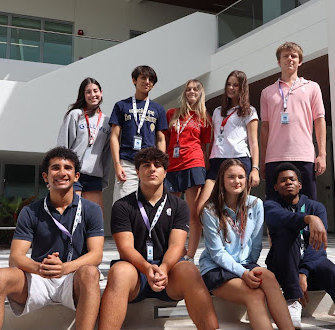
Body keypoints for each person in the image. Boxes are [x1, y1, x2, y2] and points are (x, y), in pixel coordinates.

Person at [0, 147, 105, 330]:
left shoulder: (92, 210)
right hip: (39, 277)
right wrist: (41, 267)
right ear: (46, 176)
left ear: (76, 176)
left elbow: (96, 255)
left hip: (73, 278)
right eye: (55, 168)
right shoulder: (31, 211)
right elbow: (16, 257)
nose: (62, 173)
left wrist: (65, 268)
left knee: (90, 272)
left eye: (67, 168)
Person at [97, 147, 223, 330]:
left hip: (168, 273)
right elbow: (125, 249)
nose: (152, 169)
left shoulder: (179, 205)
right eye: (146, 165)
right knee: (119, 271)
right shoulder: (122, 206)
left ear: (165, 172)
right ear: (137, 172)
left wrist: (163, 268)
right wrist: (147, 268)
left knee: (189, 269)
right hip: (136, 273)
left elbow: (176, 245)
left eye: (157, 165)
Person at [264, 162, 335, 330]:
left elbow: (319, 247)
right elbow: (279, 219)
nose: (288, 182)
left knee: (332, 271)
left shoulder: (316, 207)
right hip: (282, 267)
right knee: (287, 232)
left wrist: (303, 273)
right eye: (282, 180)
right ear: (276, 186)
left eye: (292, 179)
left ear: (300, 184)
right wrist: (308, 219)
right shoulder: (270, 205)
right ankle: (292, 300)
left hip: (308, 269)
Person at [199, 159, 298, 330]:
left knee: (268, 276)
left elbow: (256, 243)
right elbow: (217, 253)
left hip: (245, 264)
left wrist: (248, 267)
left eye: (241, 177)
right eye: (231, 177)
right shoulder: (210, 210)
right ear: (221, 180)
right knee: (255, 296)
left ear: (246, 180)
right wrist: (243, 273)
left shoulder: (255, 204)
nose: (236, 181)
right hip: (216, 269)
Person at [188, 70, 260, 261]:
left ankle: (241, 254)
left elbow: (253, 142)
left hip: (240, 161)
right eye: (229, 84)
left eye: (235, 85)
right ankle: (197, 254)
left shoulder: (249, 111)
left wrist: (255, 168)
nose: (231, 88)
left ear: (242, 87)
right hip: (217, 162)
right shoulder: (218, 111)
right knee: (200, 209)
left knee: (239, 210)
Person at [260, 42, 327, 200]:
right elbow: (265, 128)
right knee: (275, 206)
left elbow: (319, 121)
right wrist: (263, 160)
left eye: (294, 56)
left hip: (303, 156)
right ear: (279, 62)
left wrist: (322, 154)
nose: (290, 59)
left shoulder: (312, 87)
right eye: (285, 56)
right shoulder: (267, 92)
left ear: (300, 61)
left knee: (306, 204)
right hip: (274, 158)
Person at [164, 79, 212, 257]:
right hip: (173, 166)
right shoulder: (172, 114)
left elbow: (205, 147)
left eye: (195, 89)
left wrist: (204, 171)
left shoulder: (204, 118)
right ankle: (175, 250)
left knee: (194, 214)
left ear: (201, 93)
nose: (191, 92)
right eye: (188, 89)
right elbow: (165, 140)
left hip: (194, 164)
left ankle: (190, 256)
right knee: (168, 211)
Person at [109, 65, 168, 203]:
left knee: (148, 203)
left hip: (150, 164)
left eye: (151, 80)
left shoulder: (158, 109)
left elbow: (160, 139)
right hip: (128, 162)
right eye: (143, 78)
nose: (147, 82)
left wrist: (161, 164)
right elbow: (114, 137)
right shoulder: (121, 105)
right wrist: (117, 164)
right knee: (124, 203)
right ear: (134, 80)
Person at [58, 77, 111, 212]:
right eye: (88, 92)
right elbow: (63, 146)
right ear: (83, 95)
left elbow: (106, 153)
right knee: (72, 214)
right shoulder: (76, 114)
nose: (93, 95)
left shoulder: (107, 121)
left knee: (95, 217)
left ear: (101, 92)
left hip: (95, 176)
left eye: (95, 91)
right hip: (74, 173)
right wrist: (62, 171)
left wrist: (104, 179)